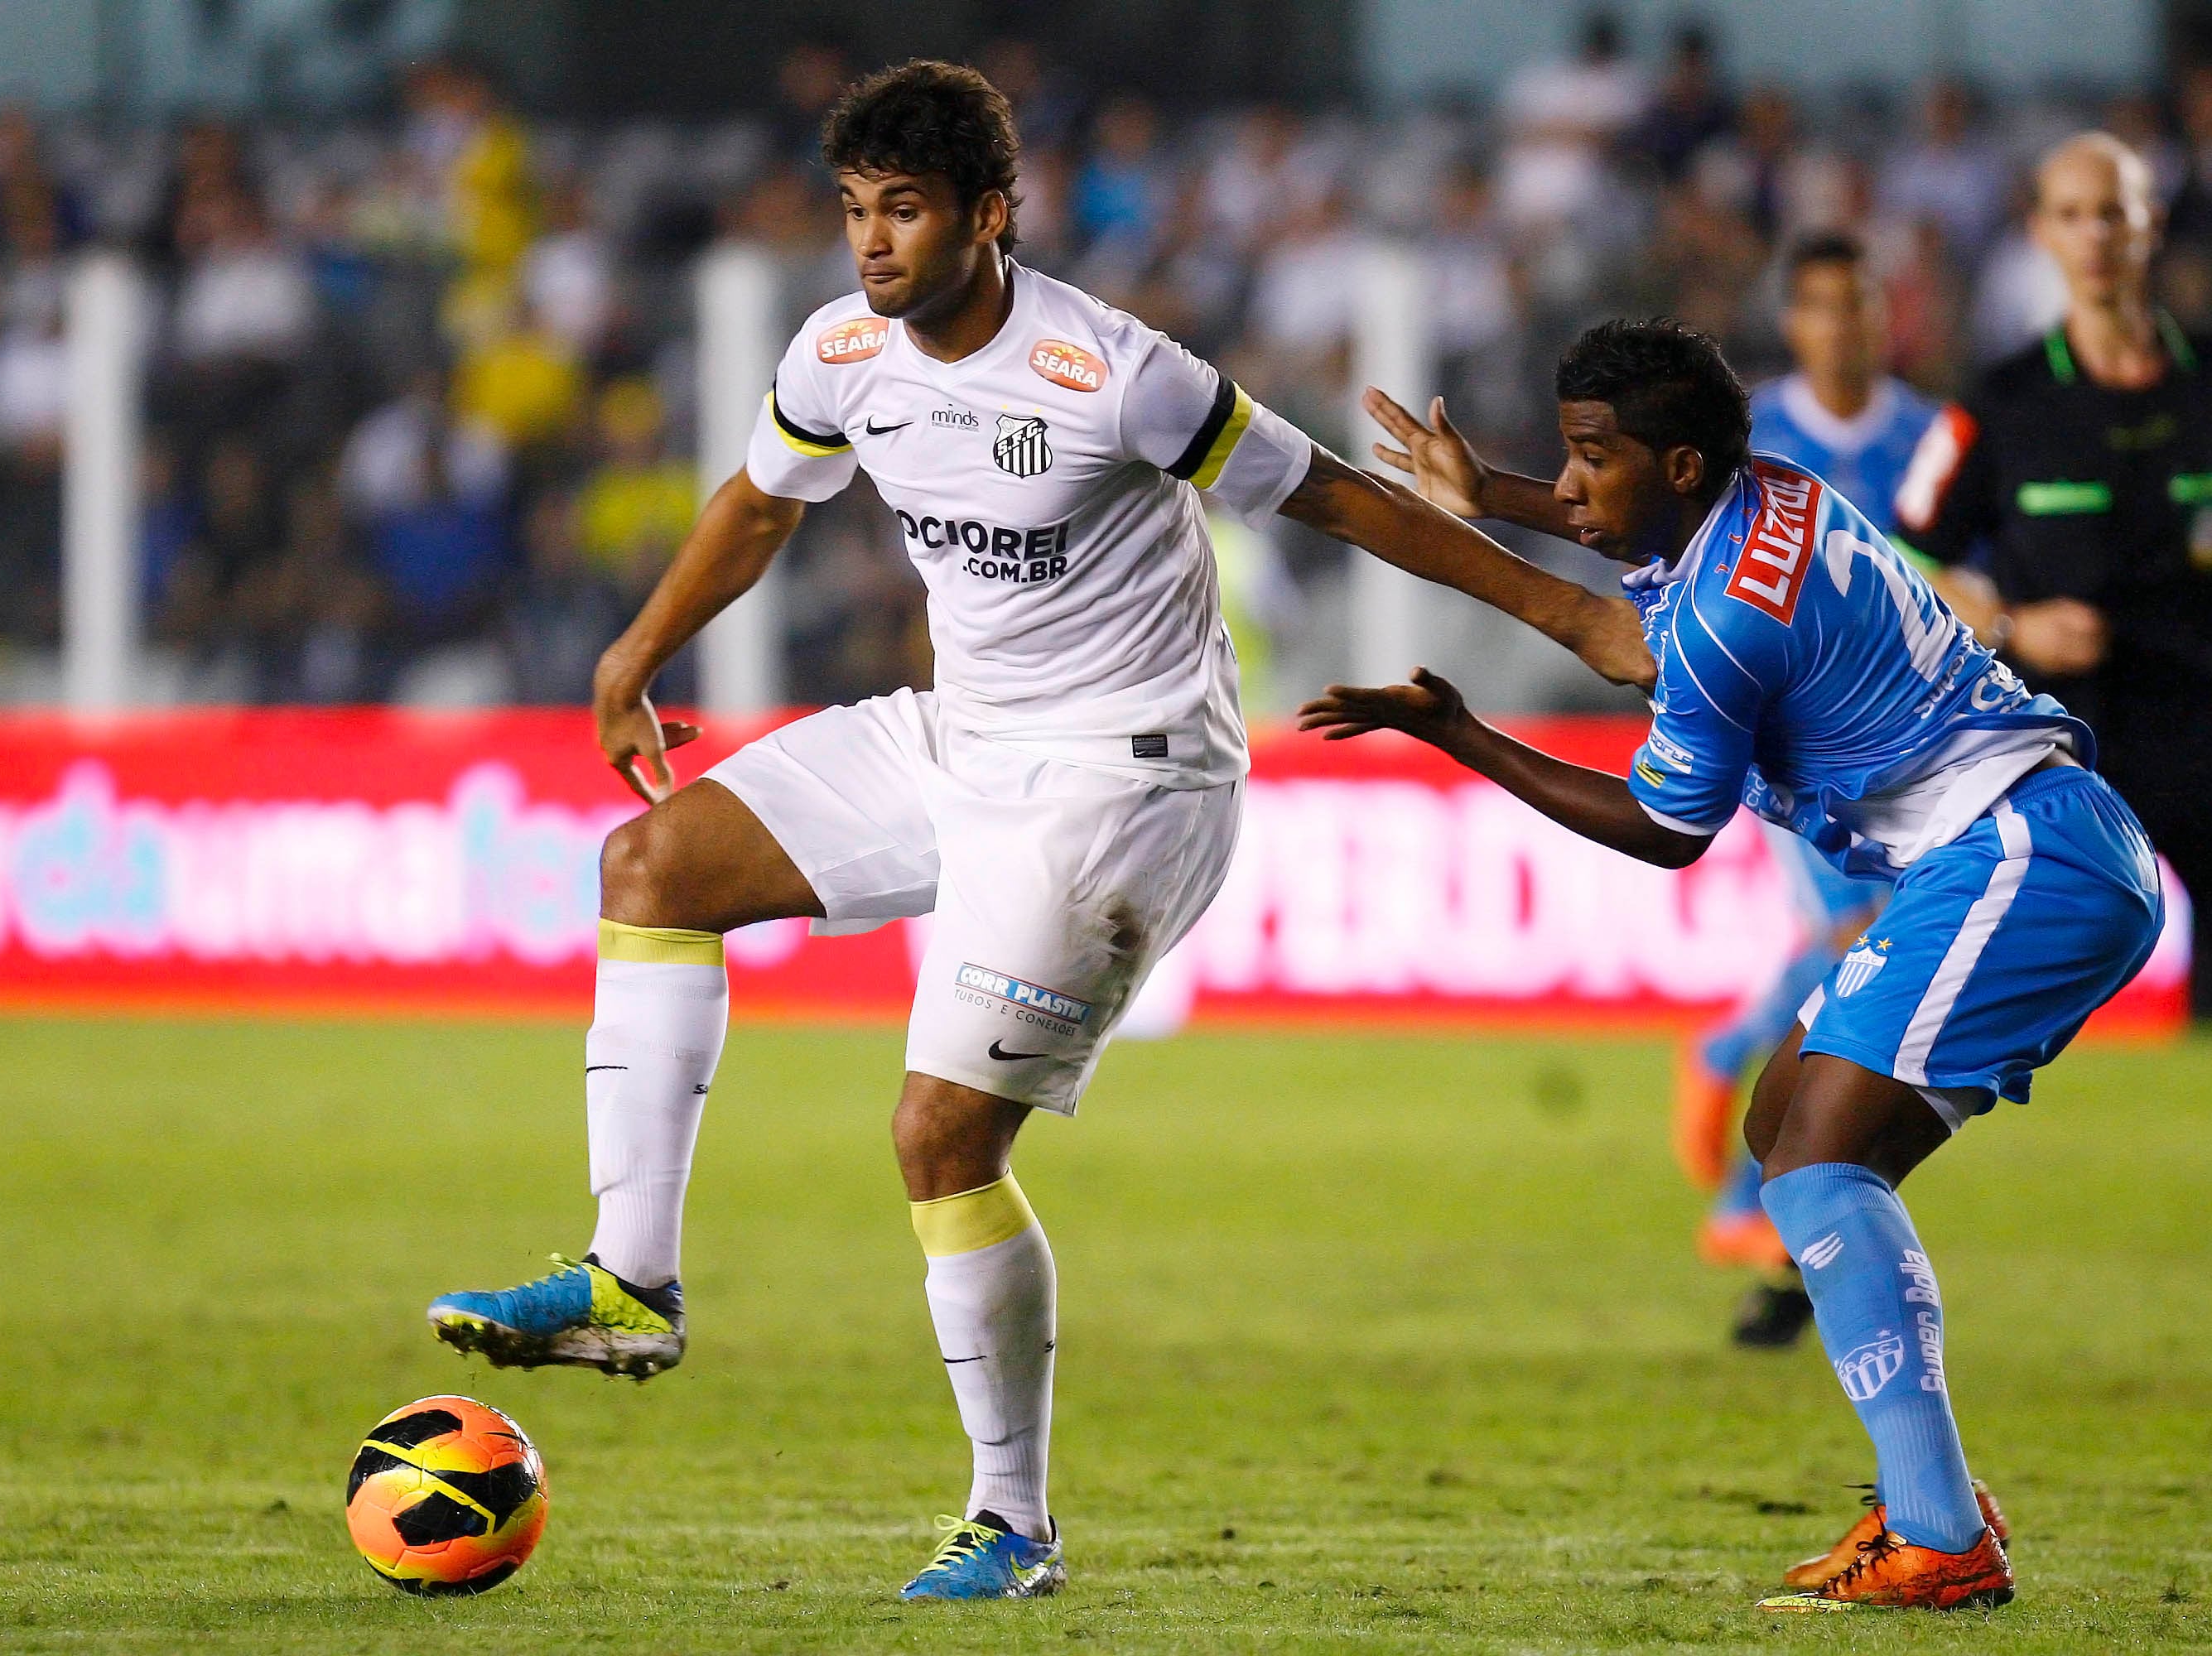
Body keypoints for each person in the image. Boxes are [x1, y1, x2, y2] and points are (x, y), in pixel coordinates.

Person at [422, 60, 1646, 1603]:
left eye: (906, 209)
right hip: (963, 735)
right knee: (651, 867)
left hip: (1127, 780)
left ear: (990, 215)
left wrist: (1572, 615)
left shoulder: (1118, 373)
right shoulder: (840, 351)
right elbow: (759, 501)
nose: (873, 242)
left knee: (940, 1137)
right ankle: (629, 1279)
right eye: (856, 210)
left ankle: (1012, 1525)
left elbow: (1340, 501)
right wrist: (631, 656)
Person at [1340, 317, 2163, 1609]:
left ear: (1677, 467)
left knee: (1823, 1164)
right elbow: (1620, 596)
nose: (1571, 483)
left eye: (1591, 456)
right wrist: (1493, 494)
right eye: (1566, 454)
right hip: (2019, 847)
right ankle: (1934, 1506)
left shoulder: (1728, 622)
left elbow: (1667, 829)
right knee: (1784, 1132)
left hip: (2018, 856)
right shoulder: (1768, 489)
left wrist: (1466, 736)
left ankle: (1940, 1532)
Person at [1895, 132, 2212, 1208]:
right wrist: (2011, 623)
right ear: (2041, 233)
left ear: (2151, 225)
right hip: (2050, 745)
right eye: (2073, 214)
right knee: (1923, 1014)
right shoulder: (2003, 400)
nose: (2096, 236)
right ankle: (1808, 1240)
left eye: (2114, 212)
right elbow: (1908, 563)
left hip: (2205, 718)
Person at [1677, 232, 1942, 1349]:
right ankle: (1761, 1203)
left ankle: (1736, 1061)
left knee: (1879, 969)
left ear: (1886, 315)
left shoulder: (1931, 439)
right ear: (1794, 321)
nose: (1844, 325)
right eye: (1823, 305)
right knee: (1856, 940)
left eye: (1860, 303)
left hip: (1914, 744)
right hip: (1791, 743)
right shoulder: (1755, 443)